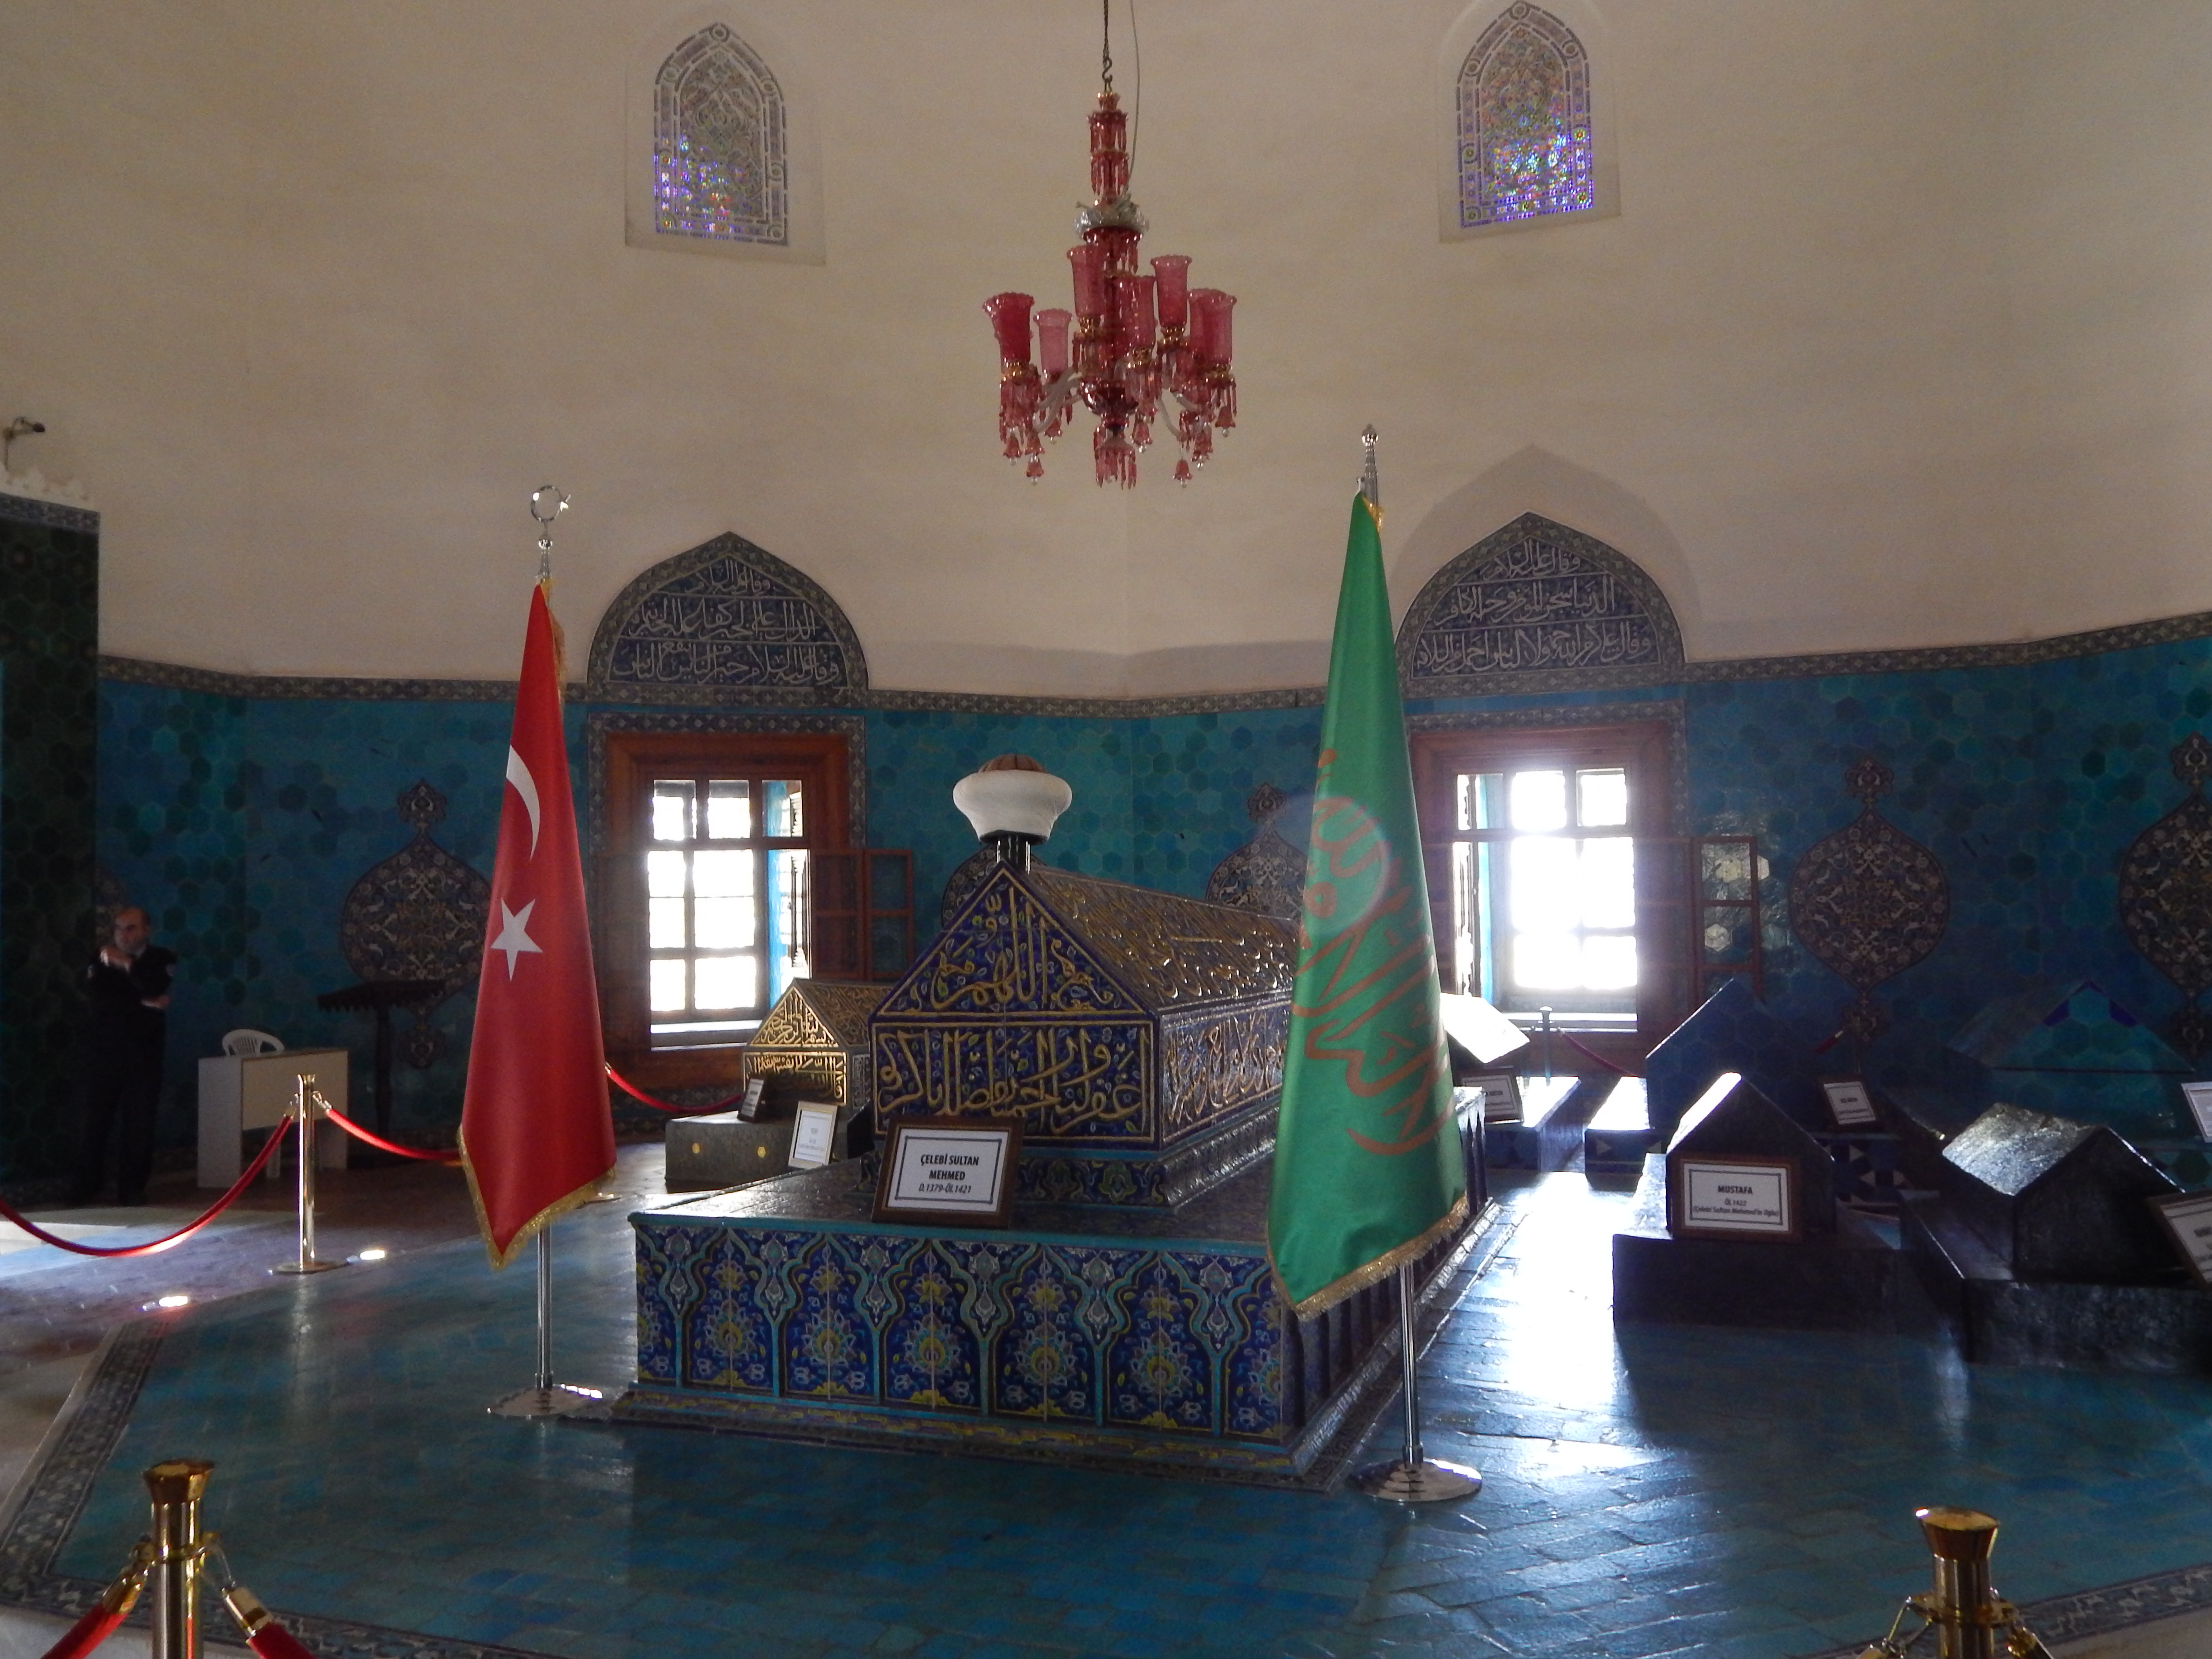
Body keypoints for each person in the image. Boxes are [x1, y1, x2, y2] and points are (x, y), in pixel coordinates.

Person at [69, 906, 176, 1206]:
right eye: (118, 928)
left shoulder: (162, 958)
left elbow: (154, 985)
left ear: (147, 930)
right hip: (103, 1056)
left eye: (131, 928)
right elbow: (100, 1000)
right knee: (93, 1124)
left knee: (139, 1125)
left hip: (144, 1059)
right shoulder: (101, 957)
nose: (122, 935)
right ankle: (87, 1186)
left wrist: (127, 965)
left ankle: (132, 1189)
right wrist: (144, 1001)